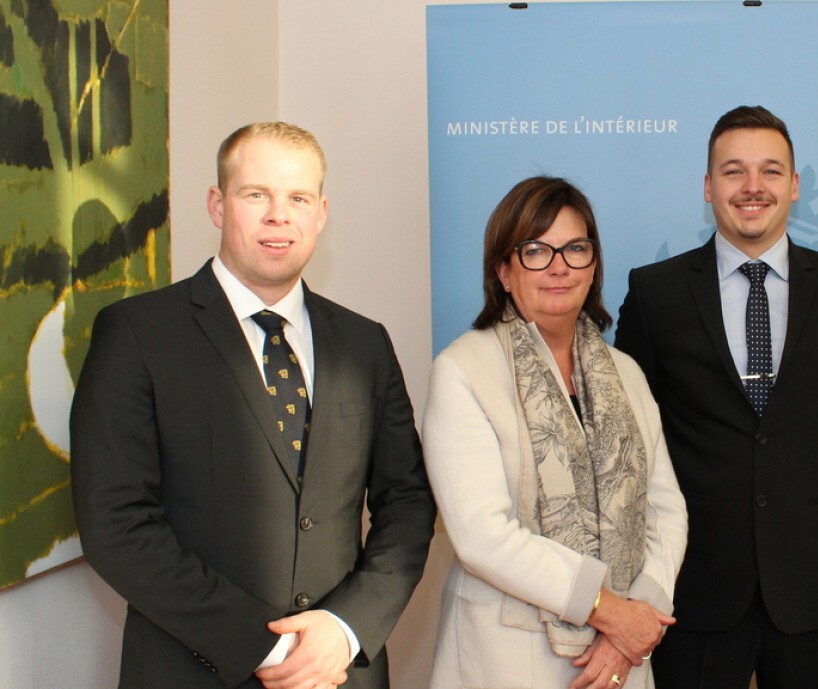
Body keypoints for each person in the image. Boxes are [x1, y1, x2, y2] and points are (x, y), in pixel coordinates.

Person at [70, 122, 437, 689]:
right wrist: (268, 646)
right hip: (192, 671)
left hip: (338, 670)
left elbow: (407, 502)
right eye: (256, 194)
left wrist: (346, 628)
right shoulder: (138, 334)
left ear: (321, 213)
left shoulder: (364, 343)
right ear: (218, 206)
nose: (278, 216)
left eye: (298, 198)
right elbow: (115, 524)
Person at [614, 105, 818, 689]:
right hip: (694, 593)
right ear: (708, 186)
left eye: (770, 170)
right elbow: (628, 447)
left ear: (794, 185)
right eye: (734, 171)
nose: (752, 186)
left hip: (815, 595)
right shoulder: (654, 293)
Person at [422, 176, 687, 689]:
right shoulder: (464, 370)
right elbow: (482, 534)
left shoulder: (626, 374)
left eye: (575, 249)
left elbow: (666, 511)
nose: (559, 266)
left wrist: (634, 621)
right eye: (536, 251)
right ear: (503, 270)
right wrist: (606, 609)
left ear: (594, 265)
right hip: (507, 659)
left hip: (622, 660)